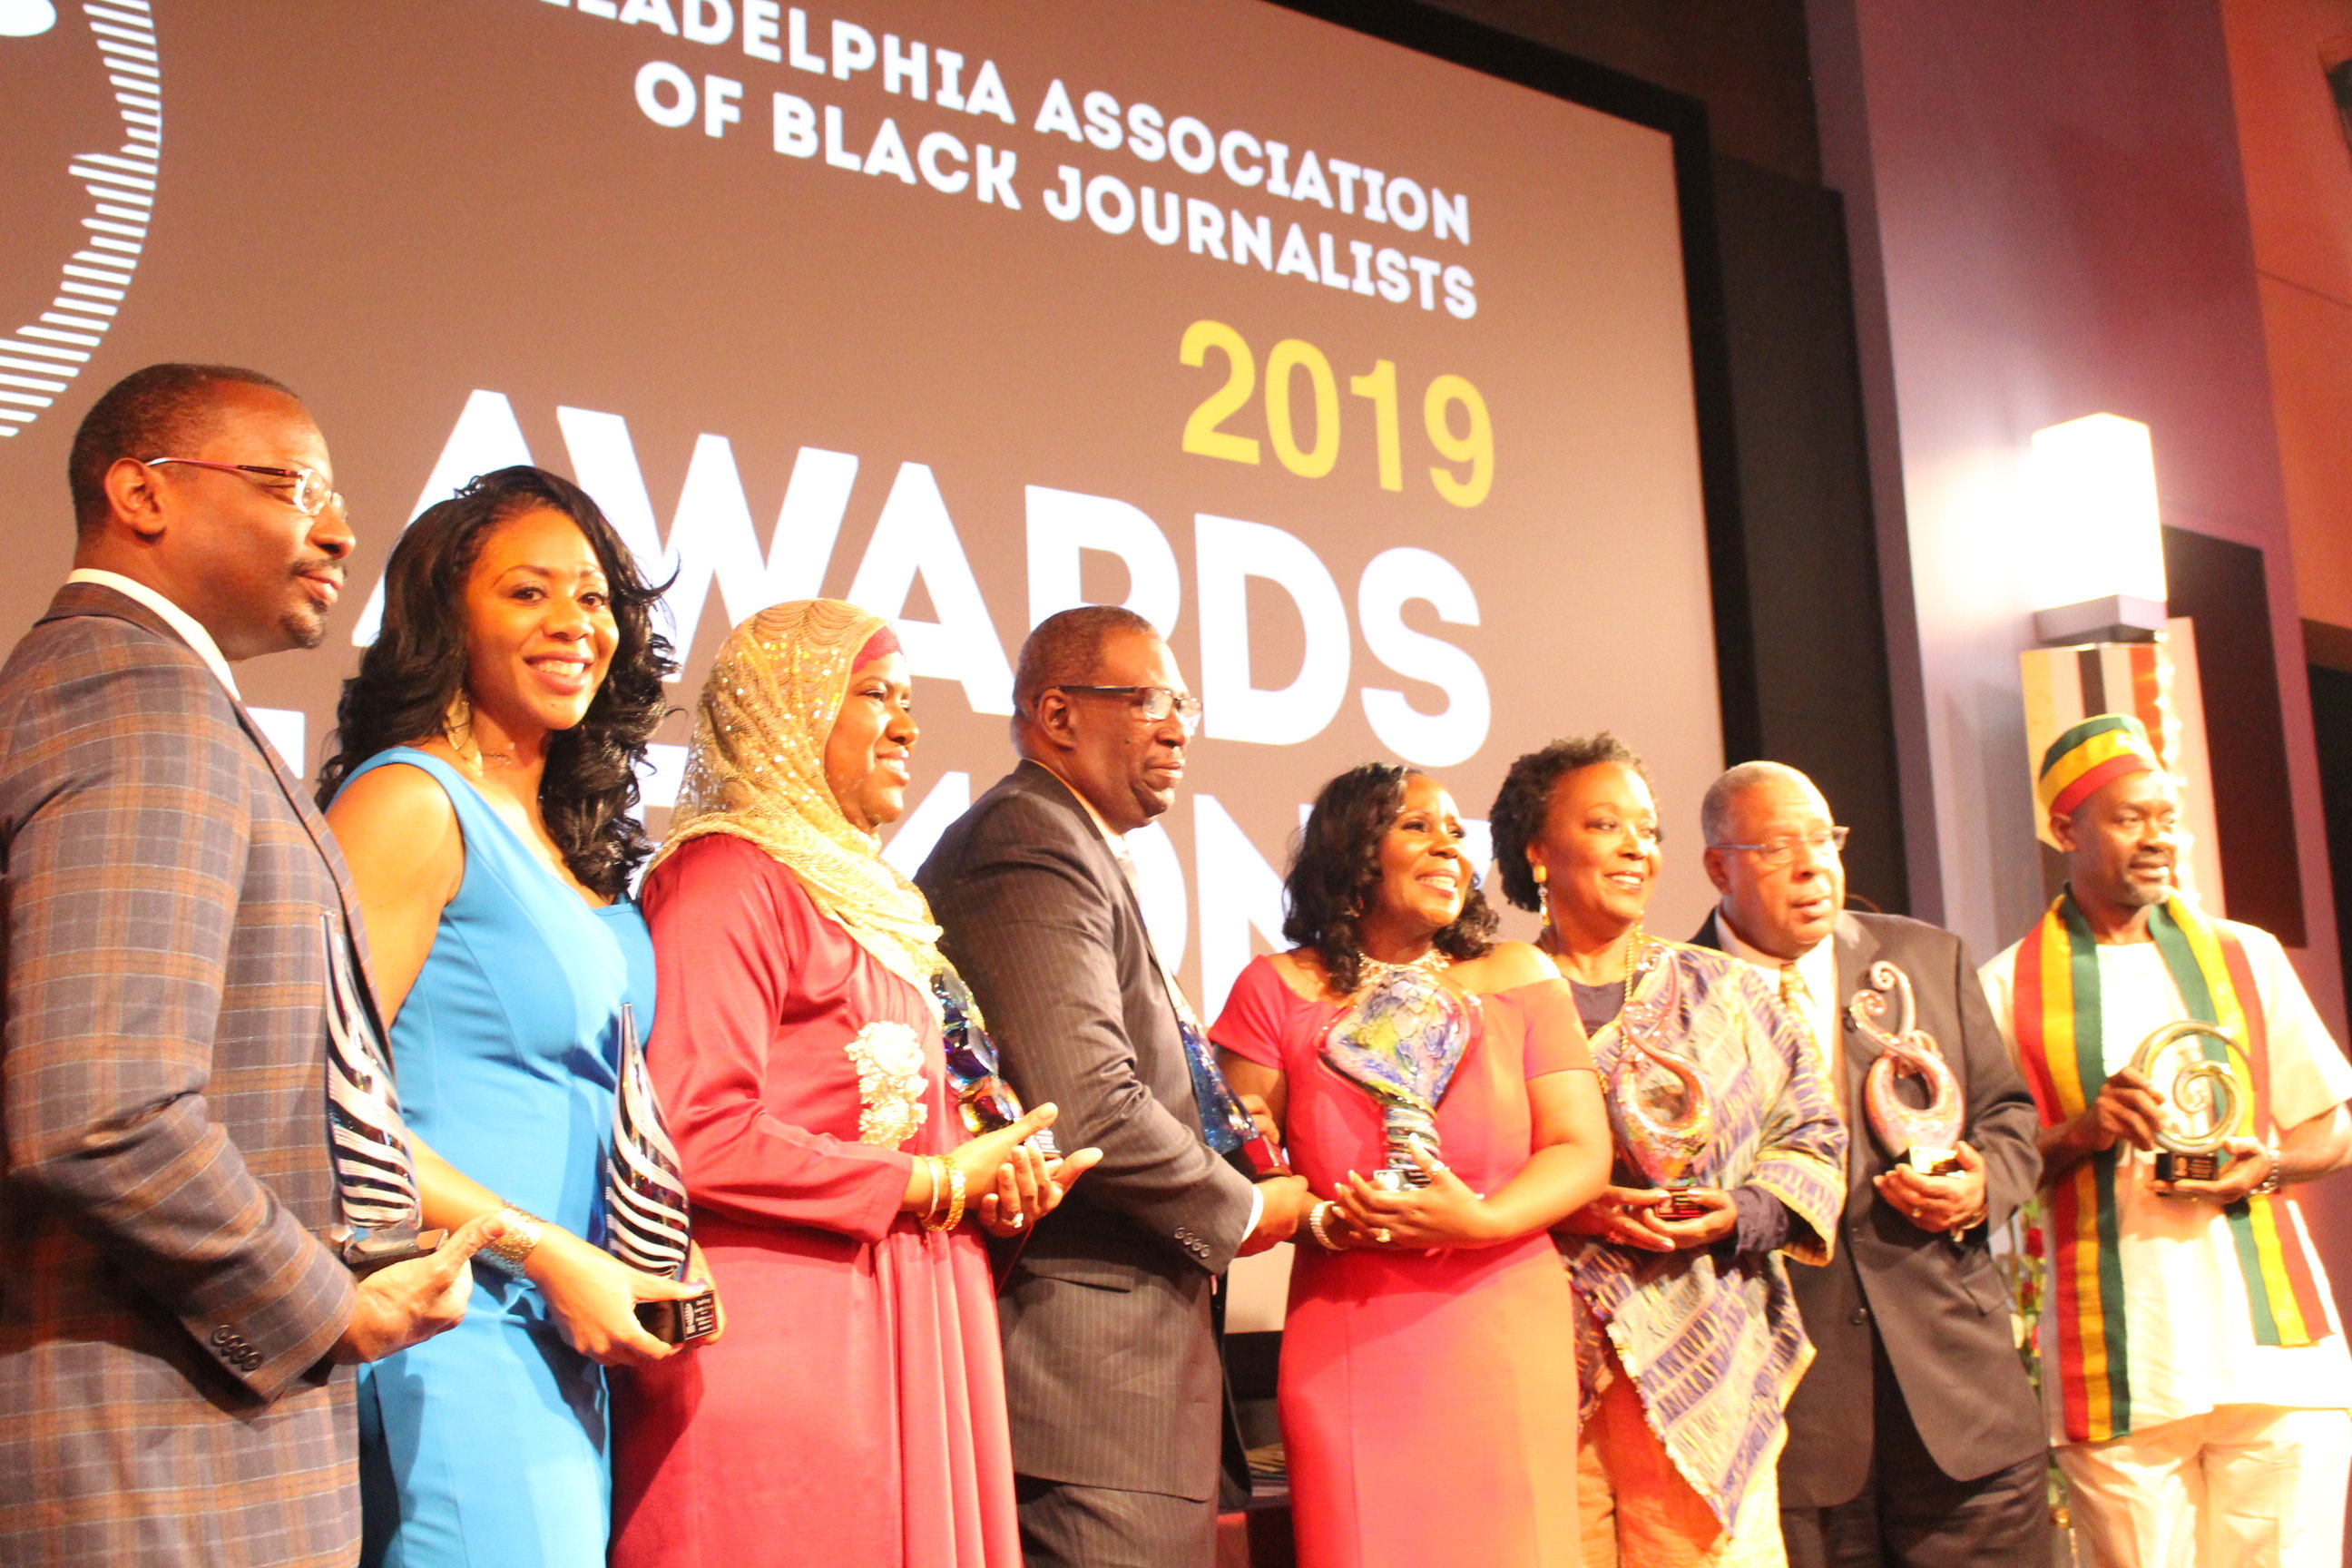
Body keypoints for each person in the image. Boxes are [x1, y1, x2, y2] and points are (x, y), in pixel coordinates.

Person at [0, 364, 502, 1566]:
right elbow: (100, 1114)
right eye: (290, 487)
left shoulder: (126, 695)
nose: (335, 528)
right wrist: (331, 1302)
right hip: (151, 1465)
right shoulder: (134, 703)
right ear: (141, 493)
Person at [611, 598, 1096, 1568]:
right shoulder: (726, 879)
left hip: (912, 1313)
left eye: (909, 698)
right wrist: (930, 1185)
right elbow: (696, 1128)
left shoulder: (873, 904)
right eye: (875, 694)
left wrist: (984, 1183)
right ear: (784, 710)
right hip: (787, 1340)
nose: (910, 726)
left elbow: (898, 1122)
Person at [317, 466, 713, 1567]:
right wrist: (539, 1252)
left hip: (563, 1332)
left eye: (592, 598)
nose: (574, 624)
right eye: (528, 593)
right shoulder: (407, 802)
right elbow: (323, 1100)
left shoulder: (564, 844)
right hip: (449, 1324)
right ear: (449, 618)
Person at [916, 604, 1310, 1568]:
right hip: (1080, 1380)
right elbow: (1084, 1105)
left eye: (1183, 703)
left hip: (1127, 1377)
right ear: (1057, 714)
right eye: (1148, 700)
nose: (1178, 726)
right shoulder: (1027, 839)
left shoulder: (1077, 841)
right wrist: (1245, 1207)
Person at [1210, 761, 1612, 1568]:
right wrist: (1320, 1219)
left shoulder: (1518, 977)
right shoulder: (1276, 989)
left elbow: (1580, 1149)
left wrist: (1482, 1220)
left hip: (1506, 1327)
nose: (1449, 849)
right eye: (1417, 827)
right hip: (1354, 1333)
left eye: (1457, 834)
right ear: (1354, 852)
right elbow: (1236, 1170)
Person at [1981, 714, 2352, 1568]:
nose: (2158, 839)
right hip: (2124, 1365)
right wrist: (2082, 1131)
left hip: (2277, 1362)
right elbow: (1989, 1170)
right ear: (2065, 831)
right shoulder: (2006, 987)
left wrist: (2274, 1164)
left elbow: (2329, 1122)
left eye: (2165, 816)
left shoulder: (2246, 955)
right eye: (2128, 819)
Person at [1489, 733, 1844, 1568]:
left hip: (1707, 1354)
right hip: (1543, 1359)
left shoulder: (1730, 990)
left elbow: (1815, 1135)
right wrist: (1571, 1203)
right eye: (1606, 825)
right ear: (1539, 851)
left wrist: (1742, 1213)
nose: (1635, 848)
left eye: (1646, 830)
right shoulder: (1489, 998)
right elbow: (1460, 1162)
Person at [1688, 761, 2047, 1566]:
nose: (1816, 866)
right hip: (1794, 1423)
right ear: (1719, 866)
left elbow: (2010, 1118)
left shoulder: (1924, 958)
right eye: (1780, 847)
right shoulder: (1676, 995)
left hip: (1964, 1408)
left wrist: (1980, 1183)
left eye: (1825, 839)